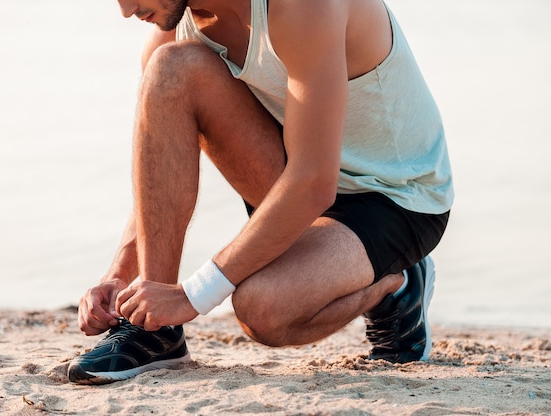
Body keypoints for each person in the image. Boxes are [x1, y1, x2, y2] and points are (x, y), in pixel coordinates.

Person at [67, 0, 453, 385]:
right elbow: (157, 175)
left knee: (262, 310)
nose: (125, 9)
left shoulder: (303, 7)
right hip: (297, 179)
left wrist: (192, 296)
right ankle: (152, 333)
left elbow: (313, 183)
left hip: (396, 196)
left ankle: (398, 283)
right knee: (169, 67)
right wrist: (121, 277)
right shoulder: (173, 29)